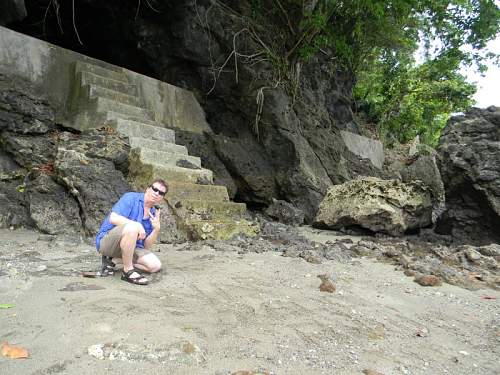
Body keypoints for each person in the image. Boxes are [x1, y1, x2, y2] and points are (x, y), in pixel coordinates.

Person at [95, 178, 167, 285]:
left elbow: (145, 247)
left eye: (161, 193)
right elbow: (113, 218)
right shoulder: (131, 198)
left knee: (155, 266)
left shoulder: (153, 214)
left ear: (161, 198)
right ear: (147, 189)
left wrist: (156, 229)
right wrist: (136, 225)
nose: (156, 193)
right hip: (107, 242)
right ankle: (128, 271)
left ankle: (113, 260)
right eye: (154, 189)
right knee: (132, 228)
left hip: (130, 247)